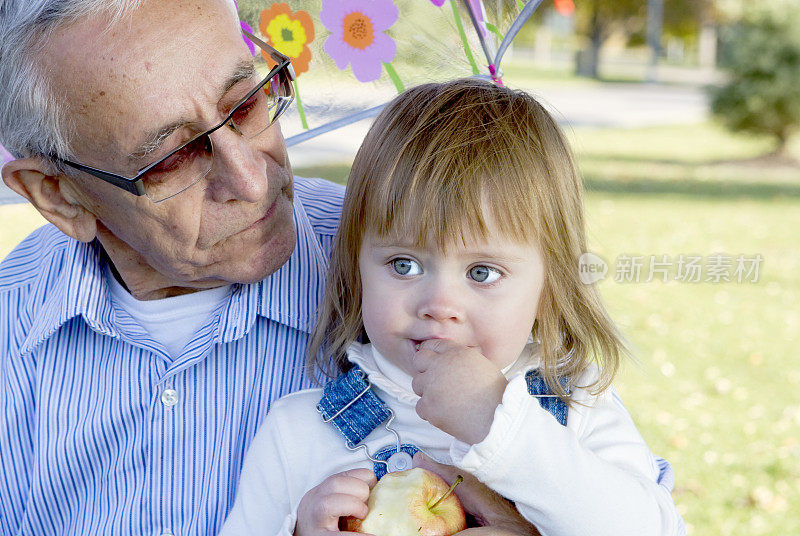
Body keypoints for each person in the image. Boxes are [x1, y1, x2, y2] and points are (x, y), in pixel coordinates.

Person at [0, 2, 546, 534]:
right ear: (58, 194)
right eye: (171, 158)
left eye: (246, 104)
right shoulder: (11, 328)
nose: (252, 179)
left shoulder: (431, 269)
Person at [219, 79, 686, 536]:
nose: (439, 305)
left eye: (482, 273)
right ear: (356, 268)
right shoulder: (299, 431)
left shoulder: (576, 406)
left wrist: (502, 427)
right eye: (404, 265)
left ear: (549, 287)